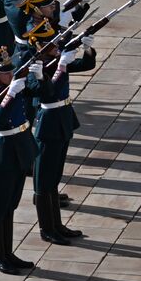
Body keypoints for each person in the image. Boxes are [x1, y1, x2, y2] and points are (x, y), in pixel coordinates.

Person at [24, 19, 96, 245]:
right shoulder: (33, 68)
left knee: (54, 177)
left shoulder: (56, 60)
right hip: (48, 123)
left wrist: (87, 48)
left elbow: (86, 65)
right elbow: (44, 93)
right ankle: (47, 228)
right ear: (39, 46)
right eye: (51, 44)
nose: (57, 47)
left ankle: (57, 224)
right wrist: (61, 66)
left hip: (63, 119)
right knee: (44, 181)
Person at [0, 47, 39, 274]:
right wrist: (10, 94)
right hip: (4, 151)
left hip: (21, 146)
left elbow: (42, 91)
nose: (10, 75)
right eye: (4, 73)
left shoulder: (16, 83)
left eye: (11, 71)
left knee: (11, 204)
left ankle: (8, 252)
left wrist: (39, 74)